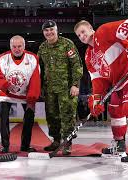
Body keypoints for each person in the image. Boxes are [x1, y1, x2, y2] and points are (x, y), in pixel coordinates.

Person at [74, 19, 128, 163]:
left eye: (83, 32)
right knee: (114, 109)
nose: (81, 36)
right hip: (120, 81)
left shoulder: (103, 31)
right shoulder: (88, 56)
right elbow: (98, 80)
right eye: (78, 35)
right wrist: (96, 98)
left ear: (91, 29)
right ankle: (119, 145)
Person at [37, 20, 83, 155]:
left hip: (66, 89)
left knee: (67, 115)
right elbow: (39, 69)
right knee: (52, 116)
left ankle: (67, 143)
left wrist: (75, 84)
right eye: (46, 30)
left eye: (52, 29)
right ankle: (56, 141)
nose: (49, 32)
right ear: (43, 32)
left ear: (56, 30)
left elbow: (77, 65)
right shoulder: (42, 48)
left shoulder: (67, 44)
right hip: (49, 89)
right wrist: (39, 87)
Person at [0, 35, 41, 153]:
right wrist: (7, 86)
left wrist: (32, 98)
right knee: (3, 117)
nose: (17, 49)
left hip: (26, 94)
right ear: (10, 46)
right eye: (14, 46)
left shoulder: (33, 58)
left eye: (19, 46)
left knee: (29, 118)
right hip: (7, 93)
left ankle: (25, 145)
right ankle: (5, 145)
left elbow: (35, 79)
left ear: (24, 46)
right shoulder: (3, 58)